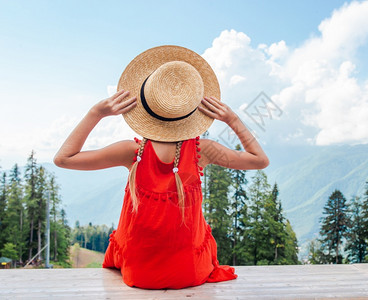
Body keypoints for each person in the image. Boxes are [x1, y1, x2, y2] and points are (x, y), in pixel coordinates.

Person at [54, 45, 269, 289]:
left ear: (147, 105)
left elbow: (64, 158)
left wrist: (96, 113)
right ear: (191, 111)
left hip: (139, 272)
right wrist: (232, 119)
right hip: (188, 271)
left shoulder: (132, 152)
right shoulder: (204, 151)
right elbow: (259, 160)